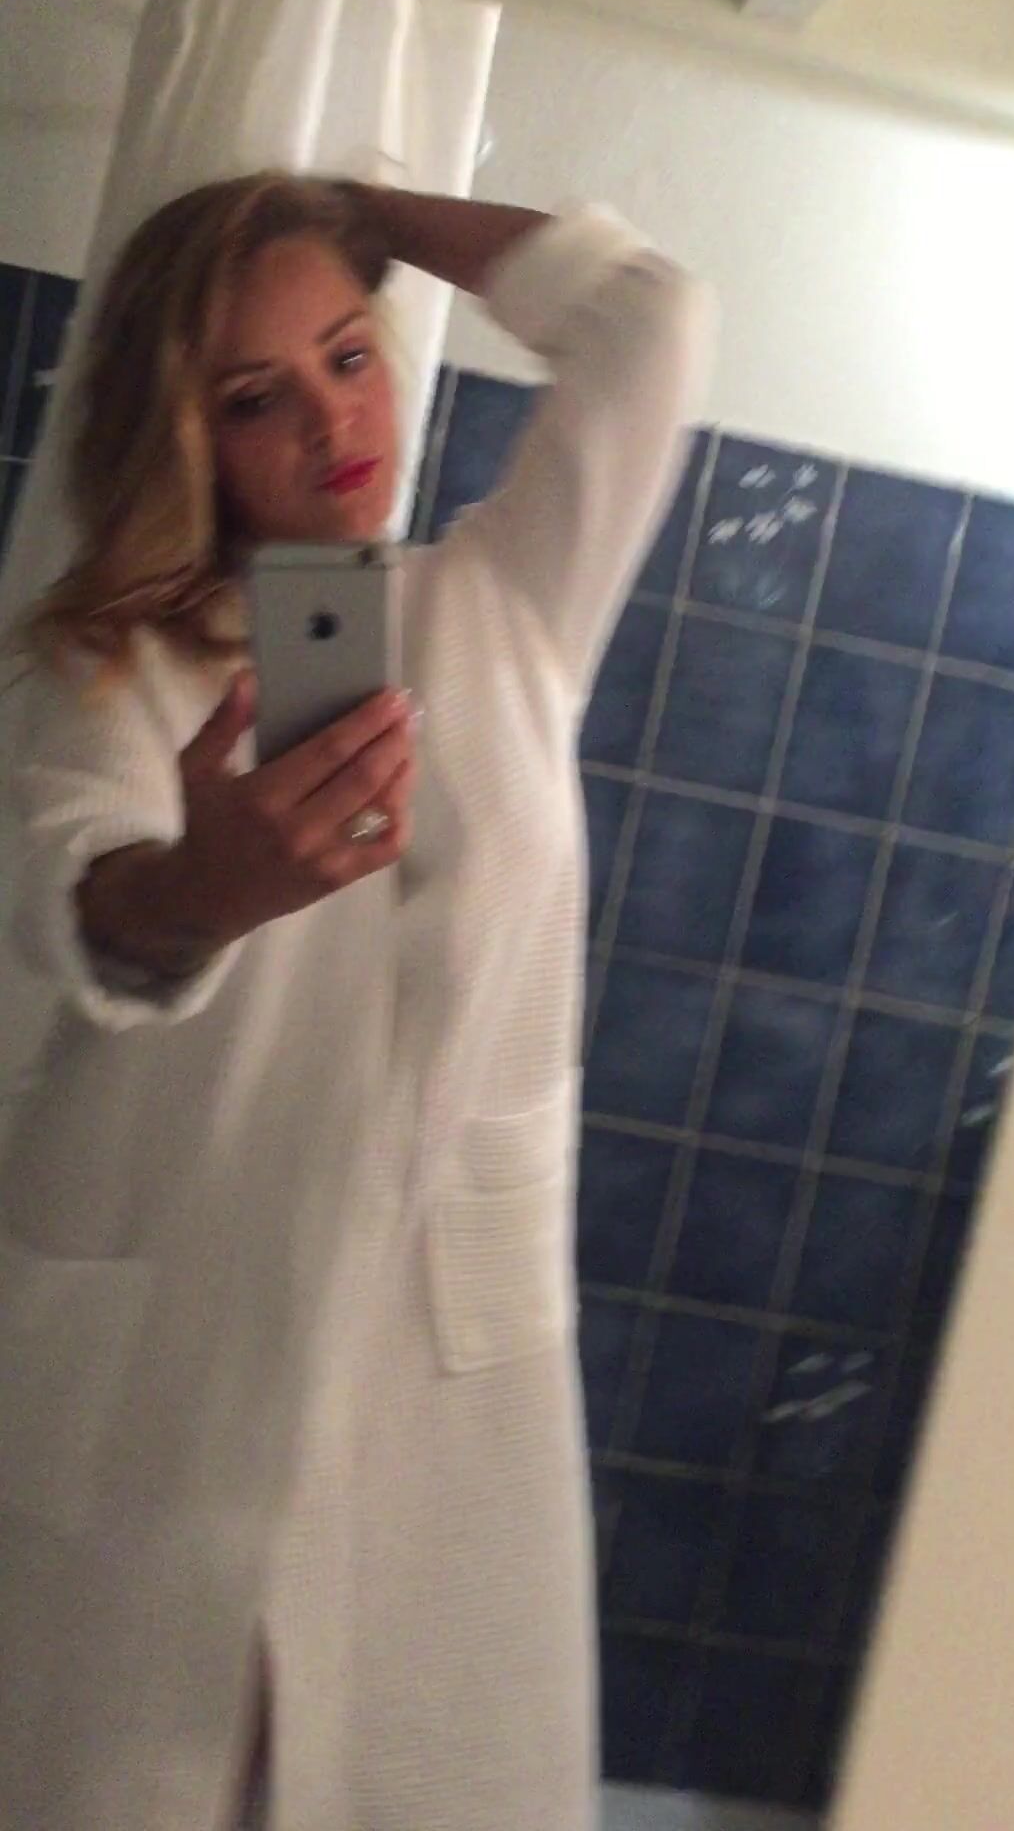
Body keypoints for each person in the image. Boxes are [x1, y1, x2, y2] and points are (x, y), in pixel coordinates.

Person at [0, 171, 708, 1831]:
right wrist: (199, 891)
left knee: (415, 1764)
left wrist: (358, 210)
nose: (332, 421)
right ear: (186, 434)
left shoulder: (504, 608)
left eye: (346, 353)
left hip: (435, 1347)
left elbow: (651, 325)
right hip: (172, 1334)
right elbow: (70, 881)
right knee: (119, 1766)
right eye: (257, 396)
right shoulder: (115, 670)